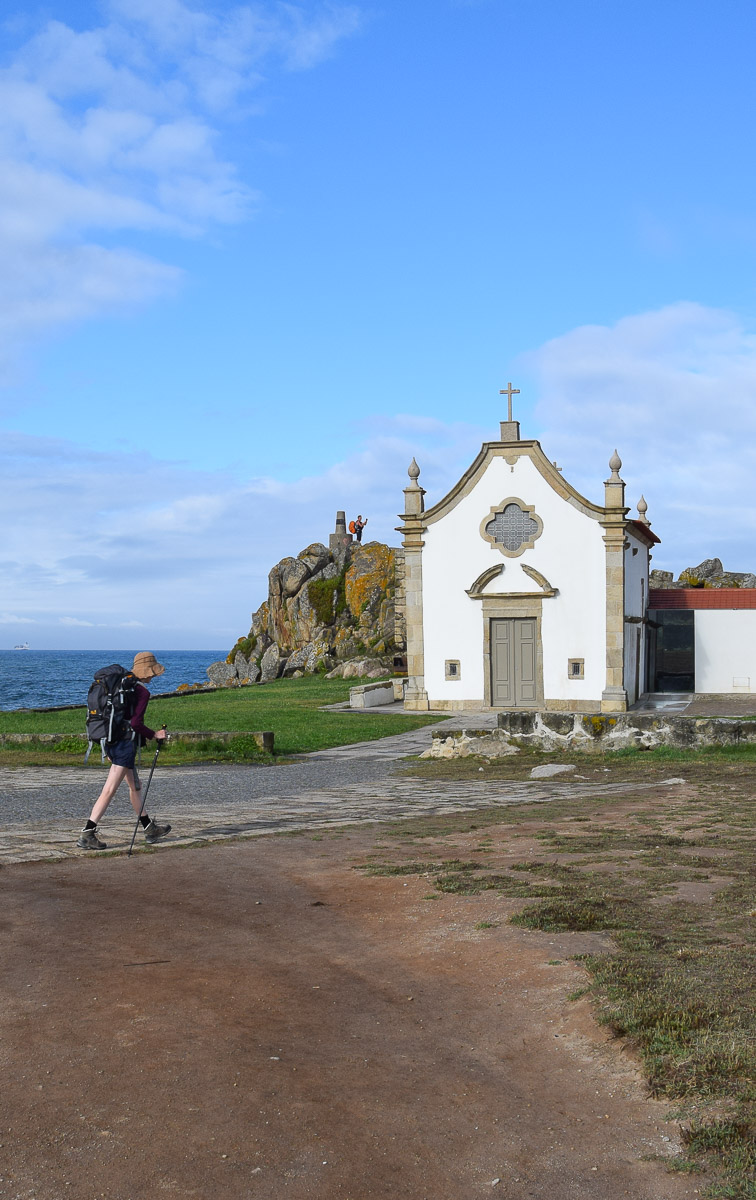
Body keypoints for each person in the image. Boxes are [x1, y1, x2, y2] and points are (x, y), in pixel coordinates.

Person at [77, 652, 171, 850]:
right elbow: (136, 723)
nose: (153, 677)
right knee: (110, 789)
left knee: (135, 786)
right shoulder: (141, 692)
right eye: (153, 673)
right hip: (125, 745)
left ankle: (149, 828)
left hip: (112, 740)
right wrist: (154, 734)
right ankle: (87, 832)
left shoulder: (122, 685)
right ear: (148, 672)